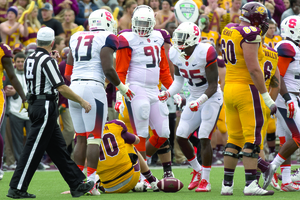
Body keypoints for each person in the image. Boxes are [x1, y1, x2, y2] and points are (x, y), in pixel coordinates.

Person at [7, 27, 94, 198]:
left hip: (36, 104)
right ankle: (16, 187)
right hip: (45, 105)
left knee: (58, 149)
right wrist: (82, 101)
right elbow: (61, 87)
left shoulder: (31, 57)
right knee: (33, 148)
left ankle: (76, 184)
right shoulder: (48, 61)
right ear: (52, 42)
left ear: (38, 41)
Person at [66, 9, 135, 195]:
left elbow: (67, 72)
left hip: (74, 88)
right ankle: (91, 183)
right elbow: (108, 69)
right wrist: (123, 88)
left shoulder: (76, 36)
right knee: (94, 139)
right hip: (92, 88)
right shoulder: (108, 37)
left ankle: (77, 183)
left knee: (80, 138)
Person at [220, 2, 276, 196]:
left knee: (234, 138)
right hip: (246, 89)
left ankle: (226, 185)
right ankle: (251, 183)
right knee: (252, 138)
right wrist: (266, 96)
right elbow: (253, 69)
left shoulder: (229, 29)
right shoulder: (251, 33)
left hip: (229, 88)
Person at [158, 21, 222, 192]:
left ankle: (206, 180)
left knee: (203, 135)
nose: (178, 41)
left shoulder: (206, 51)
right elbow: (178, 81)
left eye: (182, 38)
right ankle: (197, 170)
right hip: (194, 97)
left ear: (193, 38)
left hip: (211, 97)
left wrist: (199, 101)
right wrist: (168, 93)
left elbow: (213, 85)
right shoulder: (175, 52)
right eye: (178, 37)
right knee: (180, 135)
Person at [115, 5, 173, 177]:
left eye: (145, 23)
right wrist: (120, 94)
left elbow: (164, 70)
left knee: (163, 132)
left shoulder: (159, 36)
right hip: (135, 87)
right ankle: (140, 175)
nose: (141, 26)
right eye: (138, 22)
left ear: (153, 22)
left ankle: (139, 161)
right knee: (140, 131)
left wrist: (173, 90)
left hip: (154, 89)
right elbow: (120, 71)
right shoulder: (126, 38)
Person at [262, 15, 300, 191]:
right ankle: (271, 166)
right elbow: (279, 76)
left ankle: (285, 181)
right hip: (287, 97)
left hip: (290, 97)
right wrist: (287, 99)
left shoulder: (293, 46)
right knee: (298, 136)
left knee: (287, 138)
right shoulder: (287, 46)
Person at [96, 119, 159, 193]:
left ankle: (93, 184)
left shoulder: (87, 133)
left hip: (108, 188)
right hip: (130, 179)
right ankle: (152, 180)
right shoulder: (115, 126)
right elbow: (137, 140)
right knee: (129, 145)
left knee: (94, 159)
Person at [8, 52, 30, 163]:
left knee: (32, 139)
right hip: (15, 111)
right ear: (14, 63)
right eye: (18, 62)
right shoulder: (10, 75)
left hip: (30, 112)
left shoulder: (30, 74)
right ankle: (20, 162)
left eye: (22, 61)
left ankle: (33, 161)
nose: (20, 64)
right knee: (17, 139)